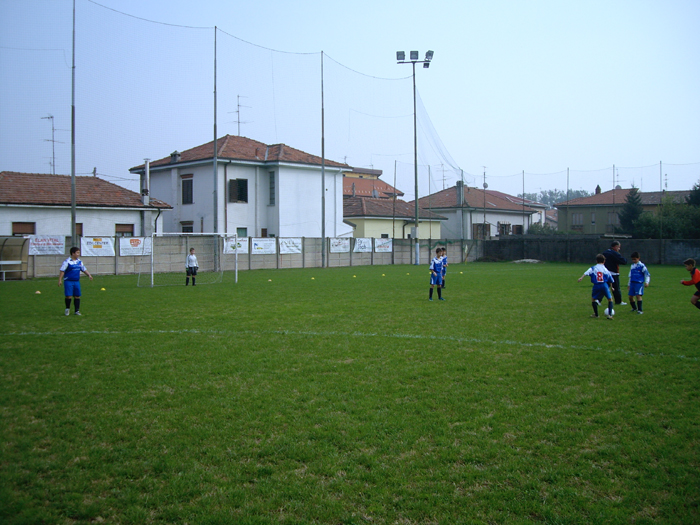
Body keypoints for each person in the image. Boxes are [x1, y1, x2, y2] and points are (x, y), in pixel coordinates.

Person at [578, 253, 615, 319]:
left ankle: (596, 314)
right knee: (610, 299)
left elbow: (586, 272)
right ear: (604, 261)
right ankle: (610, 315)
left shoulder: (593, 268)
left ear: (596, 261)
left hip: (596, 286)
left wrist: (581, 278)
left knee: (593, 299)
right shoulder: (605, 269)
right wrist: (612, 287)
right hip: (604, 285)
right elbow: (610, 278)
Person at [58, 246, 93, 316]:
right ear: (73, 253)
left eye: (79, 252)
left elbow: (83, 269)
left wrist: (89, 275)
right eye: (77, 252)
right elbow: (62, 271)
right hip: (68, 281)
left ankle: (77, 311)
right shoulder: (67, 261)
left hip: (76, 281)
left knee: (77, 296)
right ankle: (67, 309)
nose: (78, 254)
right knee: (69, 296)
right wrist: (60, 280)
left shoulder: (79, 262)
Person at [602, 241, 627, 305]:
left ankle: (597, 300)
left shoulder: (605, 252)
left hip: (605, 273)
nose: (619, 249)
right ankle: (618, 301)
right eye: (619, 247)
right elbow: (624, 261)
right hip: (613, 273)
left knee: (604, 287)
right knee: (616, 288)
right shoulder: (615, 253)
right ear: (615, 247)